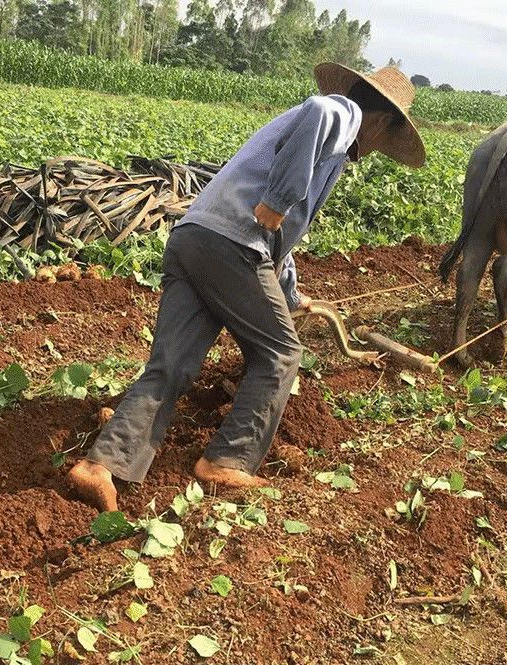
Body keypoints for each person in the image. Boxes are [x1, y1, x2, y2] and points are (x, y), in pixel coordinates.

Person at [68, 63, 425, 511]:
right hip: (233, 246)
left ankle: (101, 464)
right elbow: (314, 119)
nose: (376, 150)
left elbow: (282, 240)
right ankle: (227, 458)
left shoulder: (320, 148)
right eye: (384, 141)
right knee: (280, 352)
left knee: (172, 365)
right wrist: (278, 199)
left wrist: (292, 295)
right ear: (381, 121)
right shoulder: (344, 113)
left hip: (192, 240)